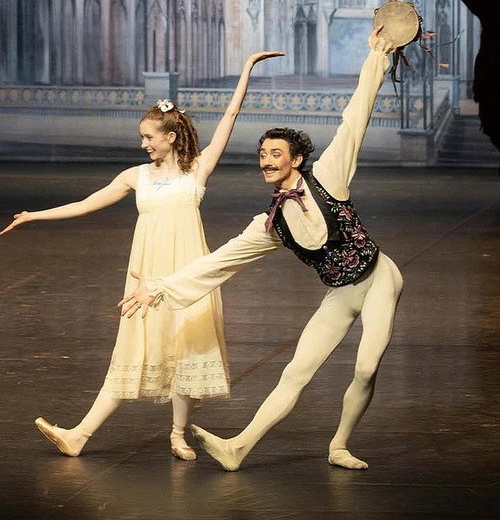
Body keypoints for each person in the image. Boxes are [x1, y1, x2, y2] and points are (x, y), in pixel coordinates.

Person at [119, 26, 403, 472]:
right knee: (296, 371)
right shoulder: (271, 224)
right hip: (341, 292)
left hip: (379, 276)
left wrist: (377, 57)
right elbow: (219, 262)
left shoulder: (329, 175)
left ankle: (339, 444)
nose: (267, 161)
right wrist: (158, 287)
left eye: (275, 154)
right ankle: (238, 448)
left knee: (366, 367)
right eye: (262, 155)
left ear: (296, 159)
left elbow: (356, 117)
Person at [1, 50, 284, 461]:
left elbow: (230, 116)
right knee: (132, 349)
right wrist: (33, 215)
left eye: (149, 137)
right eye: (142, 137)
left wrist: (246, 68)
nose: (143, 143)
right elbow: (86, 204)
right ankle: (79, 434)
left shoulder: (197, 169)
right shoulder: (135, 177)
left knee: (186, 348)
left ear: (171, 137)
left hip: (187, 272)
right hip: (146, 277)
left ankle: (177, 434)